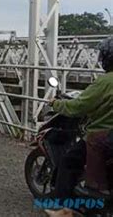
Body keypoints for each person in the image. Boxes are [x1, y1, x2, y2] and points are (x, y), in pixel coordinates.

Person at [47, 37, 113, 217]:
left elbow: (78, 106)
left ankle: (64, 210)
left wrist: (55, 104)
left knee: (67, 161)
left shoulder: (105, 81)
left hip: (102, 135)